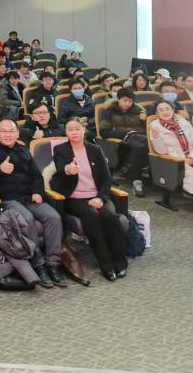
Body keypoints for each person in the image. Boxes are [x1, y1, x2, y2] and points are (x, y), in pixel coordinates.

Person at [0, 119, 66, 288]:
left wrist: (38, 192)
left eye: (11, 131)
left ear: (17, 133)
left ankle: (53, 263)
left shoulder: (23, 149)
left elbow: (36, 176)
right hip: (7, 199)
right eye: (4, 131)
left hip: (29, 197)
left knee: (54, 217)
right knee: (27, 219)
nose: (8, 134)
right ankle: (38, 264)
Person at [50, 120, 127, 282]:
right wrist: (68, 170)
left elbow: (106, 178)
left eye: (77, 129)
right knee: (92, 216)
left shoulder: (95, 149)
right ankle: (106, 265)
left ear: (84, 130)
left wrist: (100, 197)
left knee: (110, 217)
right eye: (70, 129)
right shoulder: (60, 149)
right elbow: (61, 168)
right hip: (74, 198)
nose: (74, 132)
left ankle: (120, 262)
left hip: (97, 195)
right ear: (66, 132)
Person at [99, 88, 147, 181]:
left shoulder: (138, 111)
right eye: (125, 100)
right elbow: (104, 132)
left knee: (144, 143)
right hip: (124, 140)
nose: (128, 103)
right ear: (118, 99)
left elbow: (147, 129)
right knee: (140, 145)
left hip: (140, 136)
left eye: (130, 101)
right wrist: (125, 134)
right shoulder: (109, 111)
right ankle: (134, 175)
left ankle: (131, 170)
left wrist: (144, 120)